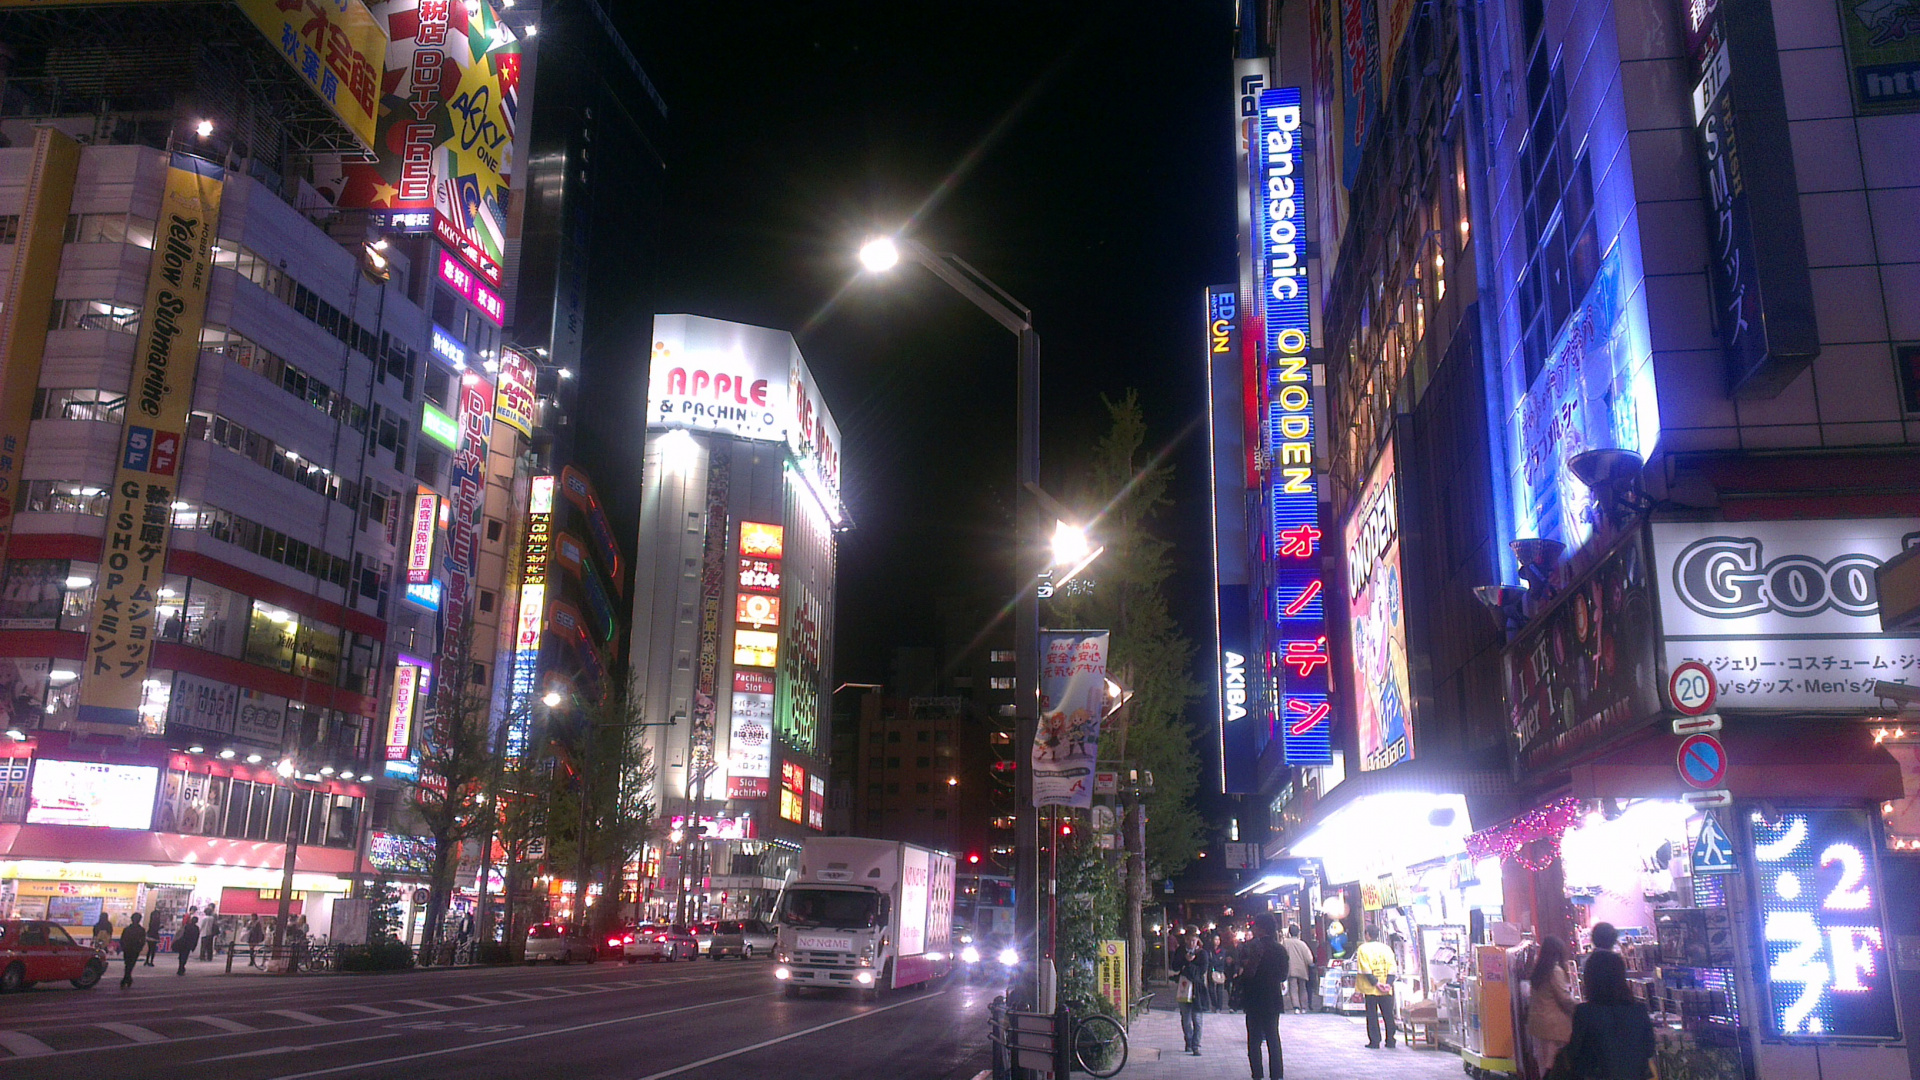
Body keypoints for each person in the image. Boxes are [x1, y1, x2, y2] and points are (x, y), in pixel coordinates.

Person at [1565, 950, 1654, 1080]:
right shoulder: (1638, 1010)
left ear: (1590, 979)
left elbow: (1575, 1055)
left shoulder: (1585, 1013)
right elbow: (1649, 1049)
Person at [1237, 913, 1289, 1080]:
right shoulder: (1280, 949)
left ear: (1261, 928)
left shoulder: (1252, 947)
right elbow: (1283, 975)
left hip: (1254, 998)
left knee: (1254, 1040)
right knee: (1273, 1038)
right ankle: (1277, 1075)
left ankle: (1257, 1074)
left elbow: (1246, 974)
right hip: (1273, 998)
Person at [1528, 936, 1578, 1074]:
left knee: (1543, 1066)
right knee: (1553, 1066)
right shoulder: (1555, 971)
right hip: (1553, 1027)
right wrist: (1579, 1008)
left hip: (1538, 1024)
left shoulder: (1538, 970)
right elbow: (1564, 998)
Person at [1355, 924, 1399, 1049]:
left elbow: (1365, 969)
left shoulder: (1363, 949)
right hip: (1386, 988)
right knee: (1388, 1014)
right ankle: (1390, 1040)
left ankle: (1374, 1041)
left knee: (1372, 1015)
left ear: (1367, 934)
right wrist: (1388, 984)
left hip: (1370, 988)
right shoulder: (1386, 948)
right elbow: (1392, 967)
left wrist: (1376, 983)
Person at [1176, 931, 1211, 1056]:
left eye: (1194, 940)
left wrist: (1189, 964)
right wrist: (1185, 961)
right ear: (1186, 940)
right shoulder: (1180, 952)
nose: (1191, 943)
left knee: (1197, 1018)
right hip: (1184, 988)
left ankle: (1196, 1045)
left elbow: (1201, 971)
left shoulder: (1202, 954)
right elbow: (1175, 966)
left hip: (1198, 990)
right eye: (1189, 940)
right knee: (1186, 1018)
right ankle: (1188, 1041)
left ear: (1197, 941)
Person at [1283, 924, 1315, 1014]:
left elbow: (1283, 955)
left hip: (1291, 968)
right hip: (1302, 969)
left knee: (1293, 988)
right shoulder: (1302, 944)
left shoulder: (1286, 942)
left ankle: (1296, 1007)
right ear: (1298, 933)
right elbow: (1309, 959)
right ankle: (1304, 1007)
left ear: (1289, 932)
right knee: (1303, 988)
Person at [118, 914, 146, 989]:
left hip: (127, 949)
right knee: (131, 964)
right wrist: (139, 948)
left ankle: (126, 978)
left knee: (127, 964)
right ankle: (127, 978)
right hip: (134, 949)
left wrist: (123, 947)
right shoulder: (141, 930)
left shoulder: (127, 929)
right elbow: (143, 941)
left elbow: (122, 939)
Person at [172, 911, 200, 975]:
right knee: (185, 956)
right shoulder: (196, 928)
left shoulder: (186, 926)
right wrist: (194, 946)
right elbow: (196, 938)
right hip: (189, 944)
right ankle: (182, 967)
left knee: (181, 955)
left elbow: (180, 934)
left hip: (183, 942)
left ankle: (180, 967)